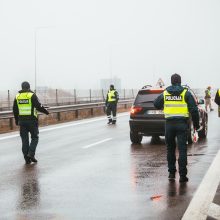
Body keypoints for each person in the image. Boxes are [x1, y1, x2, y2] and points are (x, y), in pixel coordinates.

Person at [154, 74, 200, 183]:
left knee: (170, 149)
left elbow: (156, 104)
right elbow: (194, 110)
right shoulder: (186, 93)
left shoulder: (165, 93)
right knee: (182, 149)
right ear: (180, 81)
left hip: (169, 124)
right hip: (182, 124)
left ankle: (171, 173)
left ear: (171, 81)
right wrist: (196, 125)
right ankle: (183, 176)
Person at [13, 81, 49, 164]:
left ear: (22, 87)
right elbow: (38, 106)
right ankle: (31, 154)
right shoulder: (32, 95)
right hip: (32, 121)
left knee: (24, 140)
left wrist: (16, 120)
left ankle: (27, 159)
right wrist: (46, 111)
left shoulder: (17, 96)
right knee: (35, 137)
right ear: (29, 87)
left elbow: (15, 110)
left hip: (22, 121)